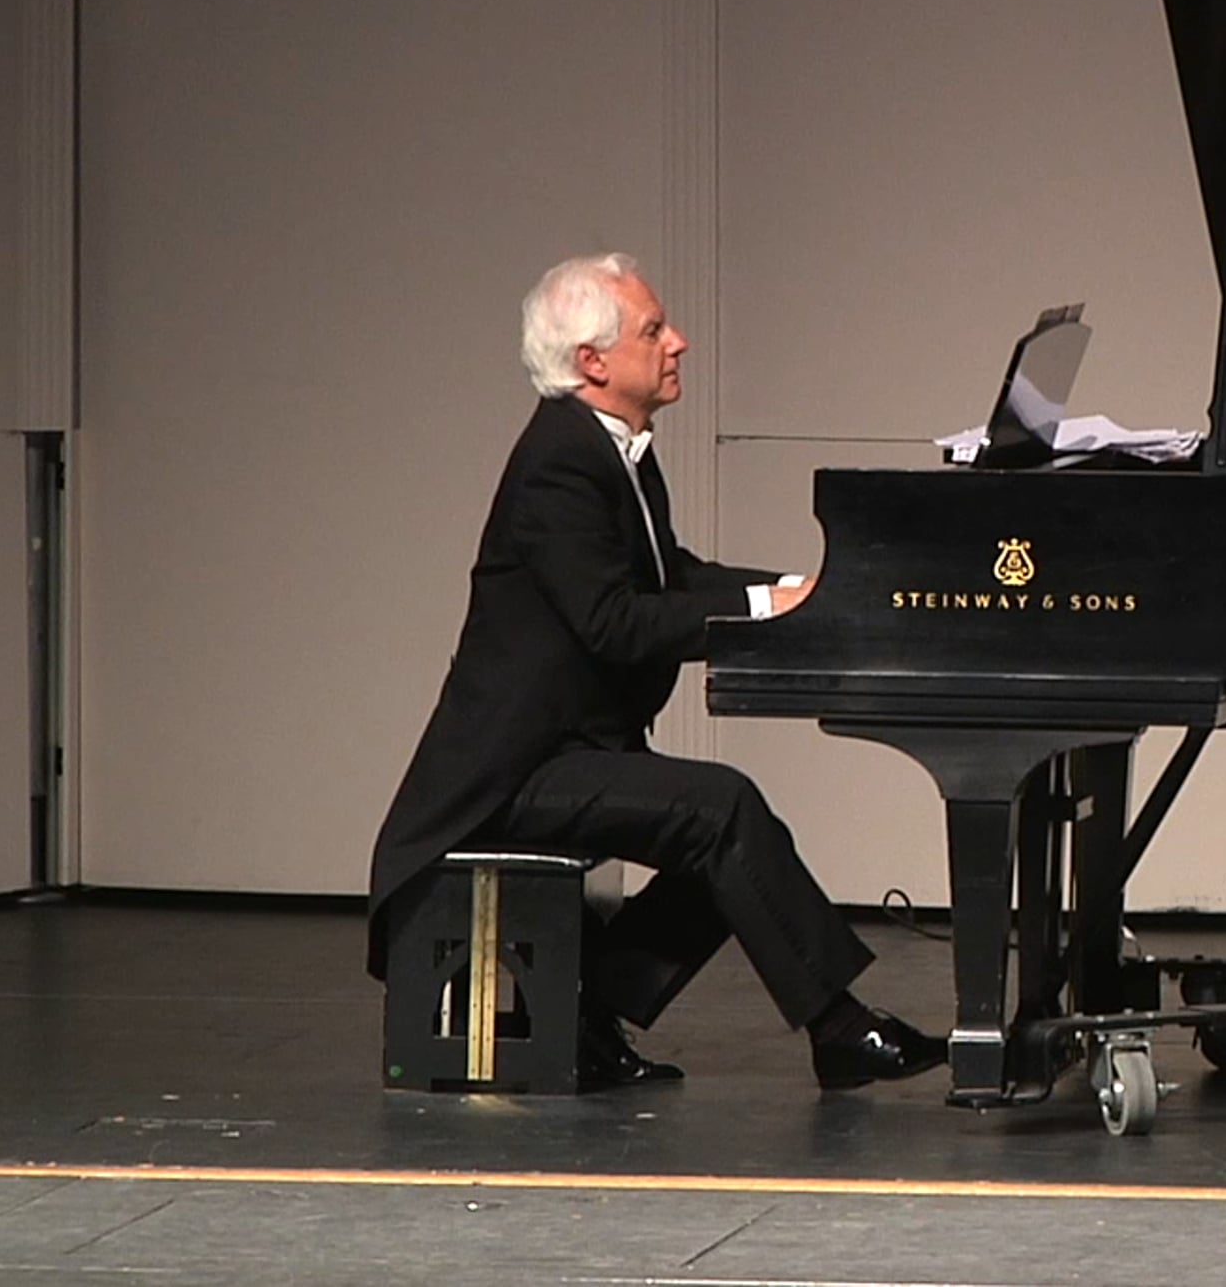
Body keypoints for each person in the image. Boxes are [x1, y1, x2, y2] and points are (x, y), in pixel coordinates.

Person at [367, 253, 944, 1091]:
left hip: (570, 750)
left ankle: (584, 1014)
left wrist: (799, 595)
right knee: (722, 810)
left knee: (722, 830)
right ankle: (840, 1030)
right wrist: (765, 612)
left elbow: (668, 574)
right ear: (592, 362)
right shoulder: (559, 462)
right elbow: (615, 622)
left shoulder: (613, 451)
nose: (678, 342)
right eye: (653, 330)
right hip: (510, 773)